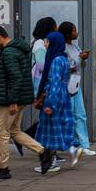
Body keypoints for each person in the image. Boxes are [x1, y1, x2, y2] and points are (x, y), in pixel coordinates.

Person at [0, 25, 54, 179]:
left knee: (1, 132)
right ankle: (43, 152)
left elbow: (15, 77)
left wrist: (12, 101)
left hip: (10, 100)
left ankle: (2, 167)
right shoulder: (19, 49)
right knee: (15, 131)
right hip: (20, 97)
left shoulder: (9, 53)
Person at [32, 31, 75, 175]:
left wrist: (50, 104)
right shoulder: (63, 58)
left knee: (49, 130)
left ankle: (51, 162)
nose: (45, 44)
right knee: (57, 127)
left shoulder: (56, 60)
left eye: (47, 42)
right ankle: (69, 150)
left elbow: (55, 83)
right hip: (63, 95)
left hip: (54, 96)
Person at [58, 21, 96, 165]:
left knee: (81, 114)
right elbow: (67, 66)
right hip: (66, 87)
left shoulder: (75, 46)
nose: (76, 33)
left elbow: (80, 66)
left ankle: (84, 145)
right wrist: (79, 59)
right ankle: (72, 145)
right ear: (68, 33)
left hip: (76, 84)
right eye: (74, 31)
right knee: (69, 117)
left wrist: (83, 58)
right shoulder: (62, 48)